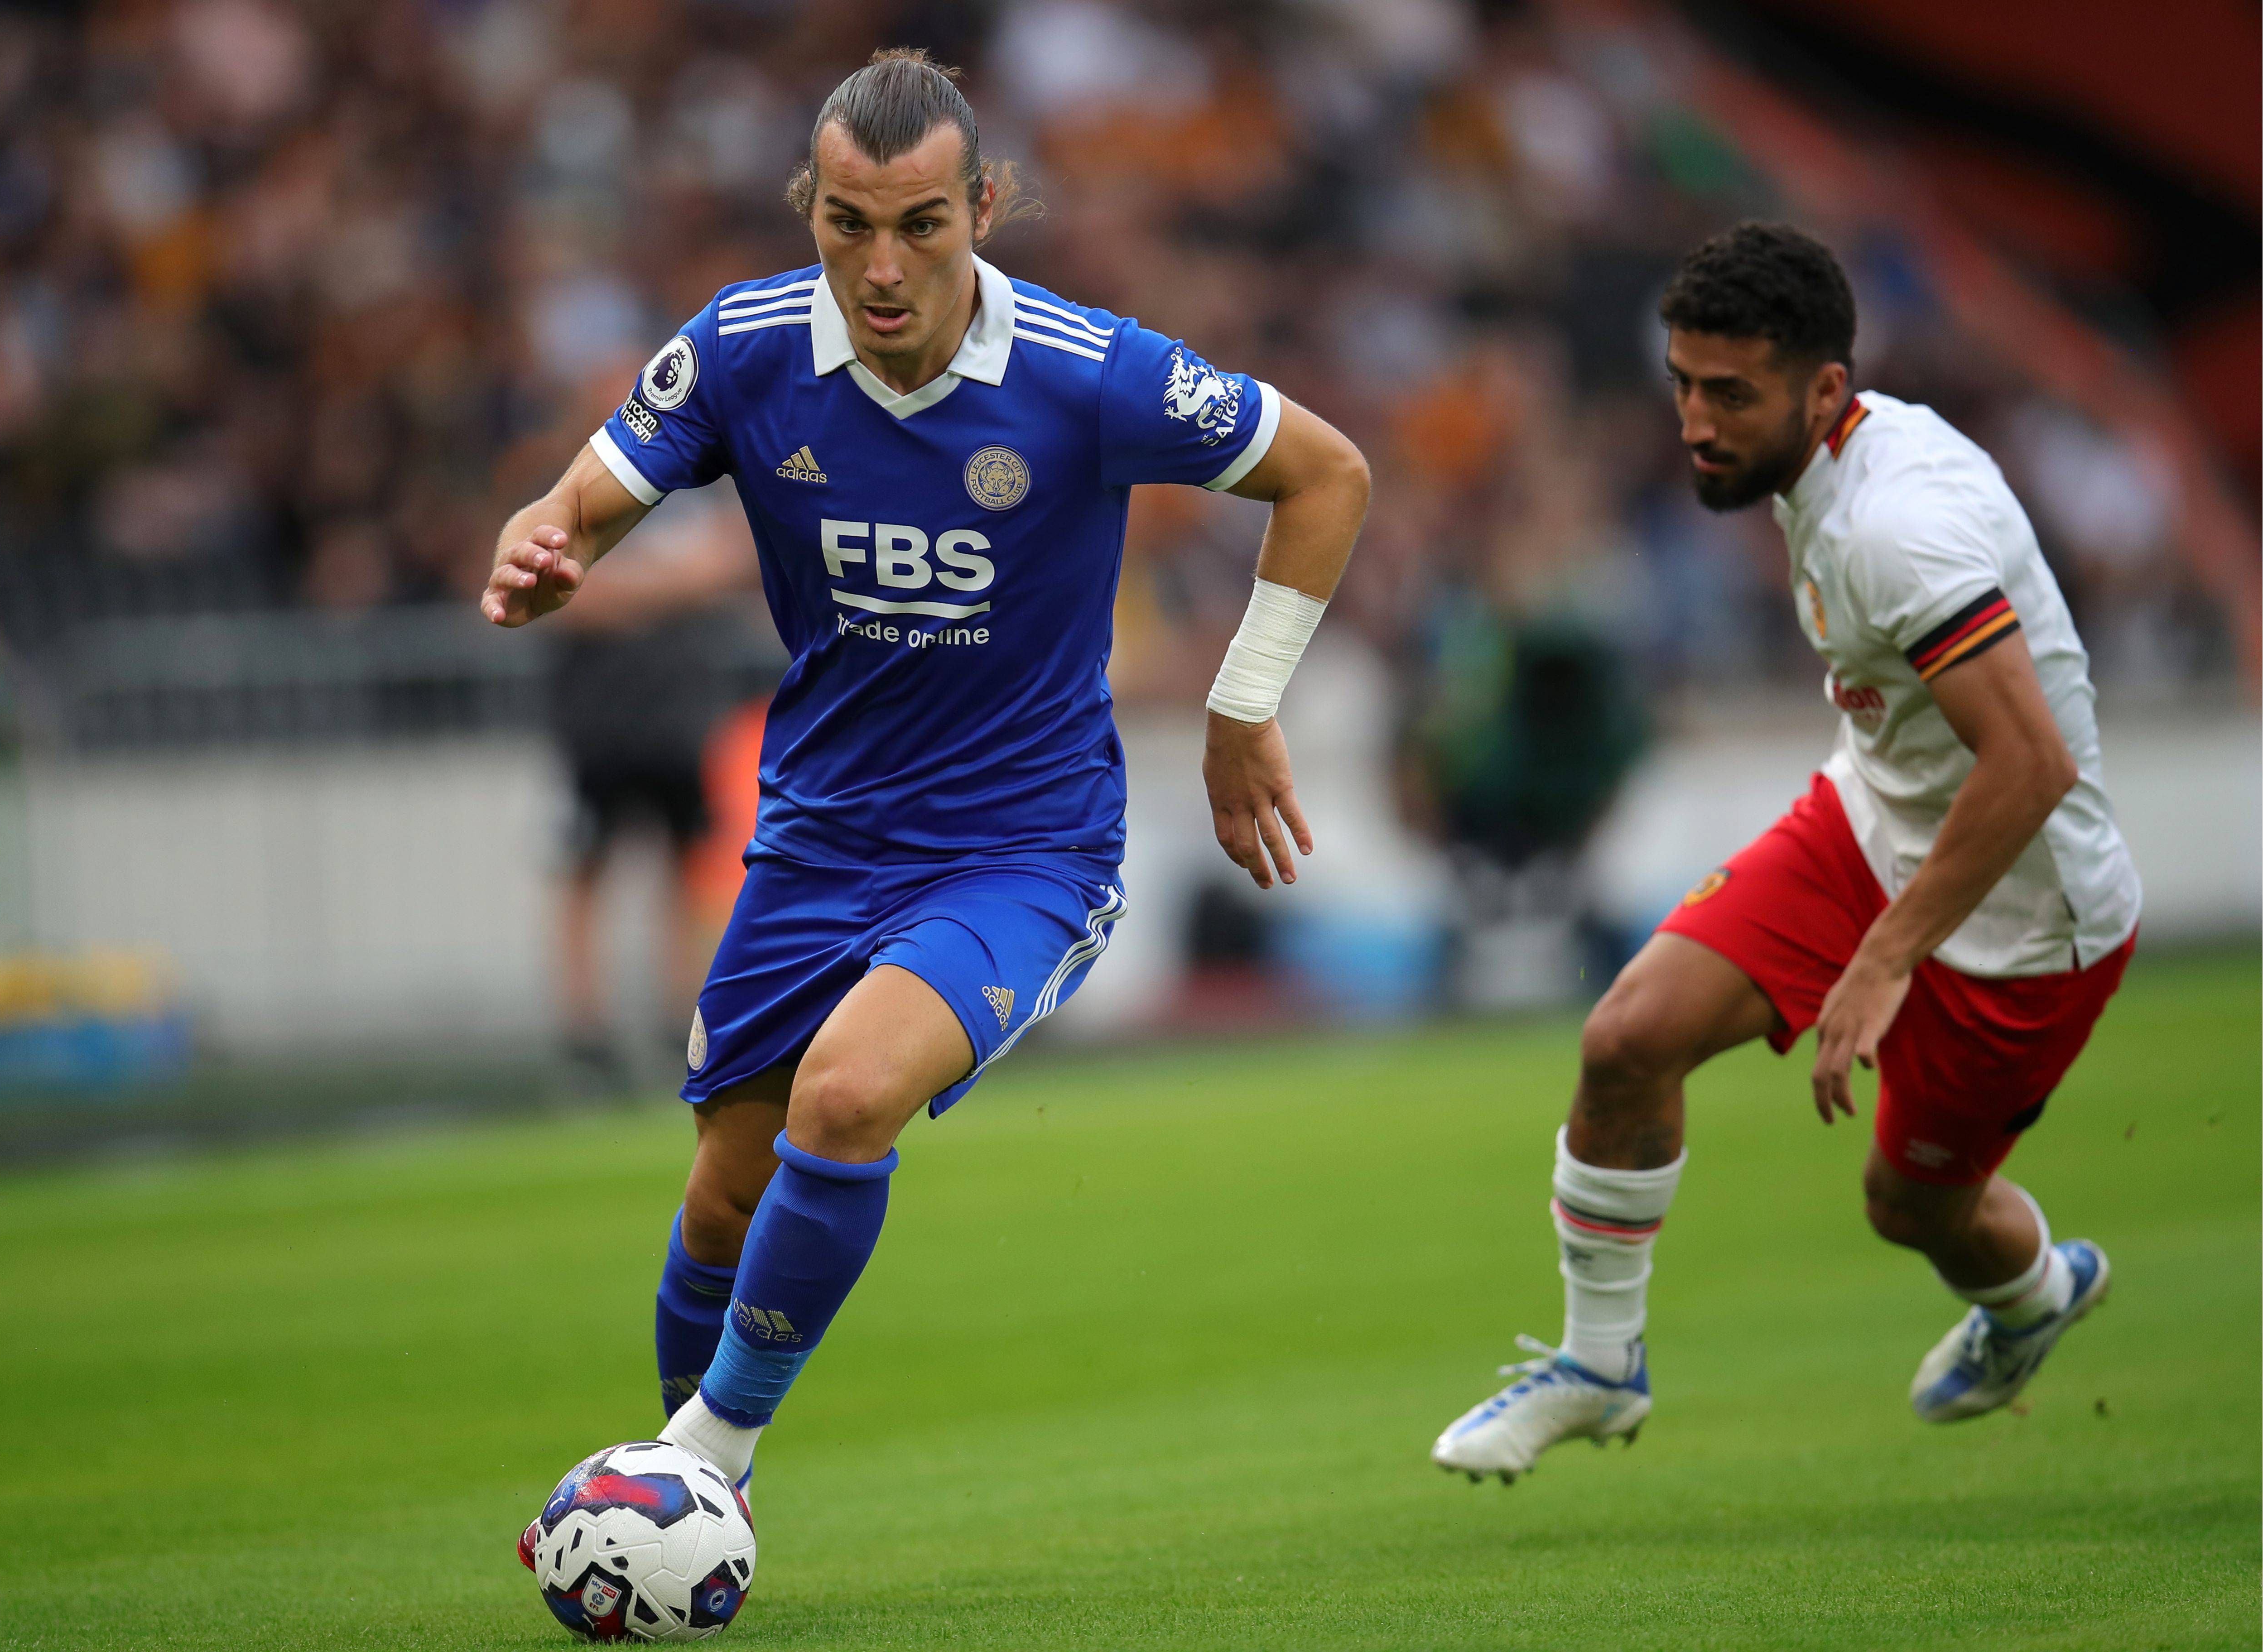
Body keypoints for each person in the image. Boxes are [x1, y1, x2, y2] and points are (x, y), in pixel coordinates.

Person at [483, 49, 1370, 1522]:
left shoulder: (1092, 374)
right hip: (818, 842)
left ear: (983, 207)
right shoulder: (744, 348)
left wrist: (1241, 702)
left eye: (918, 226)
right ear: (808, 209)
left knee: (846, 1096)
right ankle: (682, 1510)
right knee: (721, 1190)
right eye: (845, 224)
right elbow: (588, 488)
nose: (880, 266)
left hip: (1020, 852)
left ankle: (705, 1464)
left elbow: (1327, 471)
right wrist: (546, 536)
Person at [1431, 223, 2140, 1481]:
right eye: (1683, 385)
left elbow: (2029, 767)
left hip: (2027, 918)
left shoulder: (1895, 531)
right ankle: (1600, 1369)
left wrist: (1881, 961)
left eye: (1730, 395)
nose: (1696, 422)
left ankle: (2035, 1294)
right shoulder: (1827, 464)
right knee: (1626, 1040)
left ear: (1825, 390)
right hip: (1869, 825)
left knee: (1908, 1208)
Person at [544, 485, 774, 1083]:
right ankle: (584, 1030)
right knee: (584, 872)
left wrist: (624, 587)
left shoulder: (695, 489)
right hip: (597, 723)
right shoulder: (570, 493)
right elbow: (559, 593)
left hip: (677, 723)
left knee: (684, 871)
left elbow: (727, 565)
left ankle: (682, 1019)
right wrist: (673, 585)